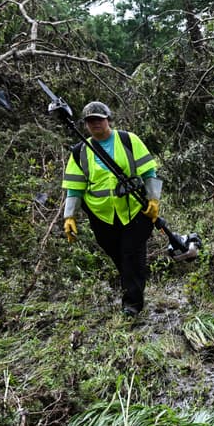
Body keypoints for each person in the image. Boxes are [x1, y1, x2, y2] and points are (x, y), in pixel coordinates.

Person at [62, 101, 162, 316]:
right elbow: (74, 188)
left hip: (135, 210)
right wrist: (69, 217)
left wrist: (154, 200)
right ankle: (133, 283)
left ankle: (132, 305)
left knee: (131, 254)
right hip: (102, 216)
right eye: (90, 121)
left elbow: (149, 172)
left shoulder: (128, 140)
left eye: (99, 119)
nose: (95, 124)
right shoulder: (80, 150)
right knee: (118, 255)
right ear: (85, 124)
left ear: (108, 119)